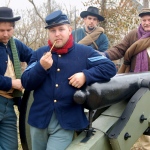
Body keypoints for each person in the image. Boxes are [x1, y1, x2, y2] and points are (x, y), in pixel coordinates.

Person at [21, 10, 116, 150]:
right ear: (49, 33)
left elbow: (109, 67)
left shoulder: (84, 52)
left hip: (66, 121)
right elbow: (26, 82)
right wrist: (41, 68)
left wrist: (85, 75)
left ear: (69, 30)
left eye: (61, 29)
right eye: (53, 30)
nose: (57, 34)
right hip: (39, 120)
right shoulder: (40, 53)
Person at [104, 8, 150, 150]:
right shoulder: (133, 35)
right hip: (135, 79)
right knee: (132, 112)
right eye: (144, 20)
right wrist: (103, 55)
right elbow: (119, 49)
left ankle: (145, 144)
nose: (146, 23)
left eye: (149, 20)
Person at [0, 7, 33, 150]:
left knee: (10, 146)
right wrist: (11, 83)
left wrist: (27, 75)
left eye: (9, 30)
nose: (6, 34)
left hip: (9, 104)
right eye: (1, 30)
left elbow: (34, 57)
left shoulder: (15, 44)